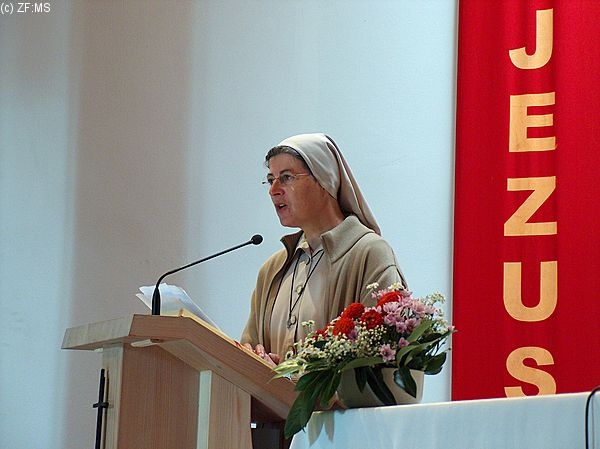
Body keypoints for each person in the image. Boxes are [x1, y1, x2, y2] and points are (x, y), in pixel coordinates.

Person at [241, 133, 407, 367]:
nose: (274, 190)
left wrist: (298, 379)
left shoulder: (369, 253)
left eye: (286, 177)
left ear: (324, 180)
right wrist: (257, 360)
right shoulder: (272, 269)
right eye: (271, 180)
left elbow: (381, 358)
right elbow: (248, 350)